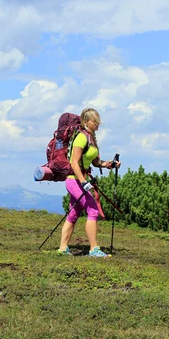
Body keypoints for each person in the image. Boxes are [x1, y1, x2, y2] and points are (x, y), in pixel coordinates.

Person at [58, 108, 121, 258]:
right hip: (74, 180)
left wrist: (109, 164)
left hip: (81, 180)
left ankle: (62, 249)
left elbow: (95, 162)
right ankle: (94, 249)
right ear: (86, 122)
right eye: (95, 120)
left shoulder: (91, 138)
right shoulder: (81, 137)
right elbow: (74, 162)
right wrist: (83, 182)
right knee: (93, 210)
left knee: (73, 213)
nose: (98, 123)